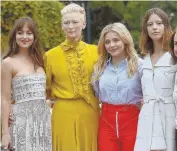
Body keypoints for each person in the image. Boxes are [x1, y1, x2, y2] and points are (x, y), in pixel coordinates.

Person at [44, 3, 99, 151]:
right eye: (66, 23)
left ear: (84, 23)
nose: (70, 26)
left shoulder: (97, 52)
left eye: (75, 22)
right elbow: (46, 90)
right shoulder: (50, 56)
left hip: (90, 112)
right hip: (63, 113)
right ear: (62, 26)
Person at [1, 17, 52, 151]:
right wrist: (5, 133)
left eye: (29, 33)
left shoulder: (41, 60)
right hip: (21, 123)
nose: (24, 37)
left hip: (43, 123)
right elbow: (5, 99)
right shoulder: (7, 63)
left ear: (34, 37)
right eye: (20, 32)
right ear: (14, 35)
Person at [91, 22, 143, 151]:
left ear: (125, 40)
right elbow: (96, 94)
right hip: (106, 123)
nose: (111, 45)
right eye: (107, 42)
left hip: (133, 120)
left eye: (116, 40)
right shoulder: (99, 68)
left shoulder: (140, 65)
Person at [134, 8, 177, 151]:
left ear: (166, 26)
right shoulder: (143, 61)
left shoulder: (174, 57)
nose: (154, 27)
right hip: (147, 118)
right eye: (150, 24)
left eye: (159, 23)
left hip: (169, 116)